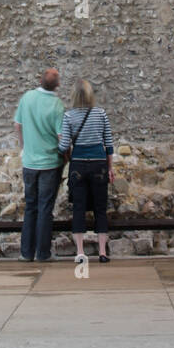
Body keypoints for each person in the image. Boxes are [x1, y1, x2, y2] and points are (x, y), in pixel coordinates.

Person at [60, 80, 115, 264]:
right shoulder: (101, 114)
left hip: (79, 165)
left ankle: (81, 252)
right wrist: (110, 168)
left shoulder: (69, 116)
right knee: (100, 208)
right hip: (99, 163)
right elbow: (108, 143)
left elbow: (64, 145)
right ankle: (102, 252)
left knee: (79, 208)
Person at [13, 67, 64, 262]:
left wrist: (24, 147)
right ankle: (43, 253)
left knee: (30, 206)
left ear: (40, 80)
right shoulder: (57, 105)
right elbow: (61, 136)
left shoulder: (27, 97)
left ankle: (26, 252)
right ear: (57, 84)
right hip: (50, 163)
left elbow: (18, 125)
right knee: (45, 208)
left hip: (30, 162)